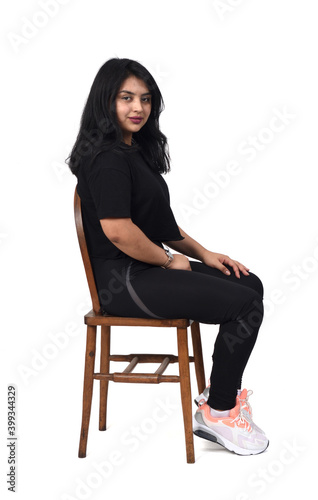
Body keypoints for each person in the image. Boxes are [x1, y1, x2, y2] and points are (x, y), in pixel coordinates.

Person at [66, 57, 269, 456]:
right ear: (105, 101)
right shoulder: (107, 159)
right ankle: (221, 411)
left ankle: (219, 392)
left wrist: (205, 254)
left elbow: (163, 227)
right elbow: (118, 231)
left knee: (247, 283)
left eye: (145, 99)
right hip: (124, 283)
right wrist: (165, 260)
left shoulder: (132, 154)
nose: (137, 108)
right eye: (126, 98)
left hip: (144, 271)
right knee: (245, 304)